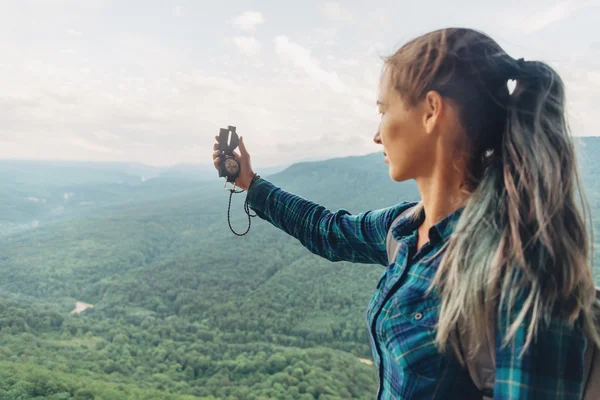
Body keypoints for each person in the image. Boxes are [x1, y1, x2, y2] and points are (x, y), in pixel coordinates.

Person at [212, 27, 599, 399]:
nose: (377, 135)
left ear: (432, 111)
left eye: (383, 110)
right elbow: (329, 230)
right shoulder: (406, 229)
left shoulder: (520, 272)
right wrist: (251, 182)